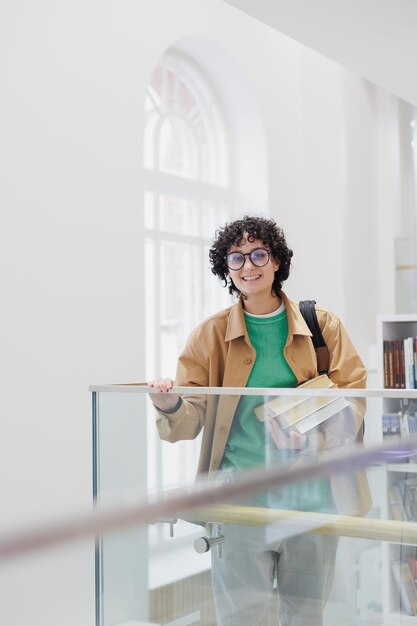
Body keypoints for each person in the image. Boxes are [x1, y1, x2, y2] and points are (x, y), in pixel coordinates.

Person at [149, 215, 370, 626]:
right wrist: (170, 404)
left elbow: (354, 405)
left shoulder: (323, 326)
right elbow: (189, 421)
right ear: (225, 268)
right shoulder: (208, 335)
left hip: (312, 500)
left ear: (276, 262)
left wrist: (309, 443)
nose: (248, 266)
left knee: (306, 617)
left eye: (258, 254)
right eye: (236, 258)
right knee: (241, 620)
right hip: (238, 505)